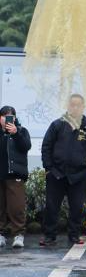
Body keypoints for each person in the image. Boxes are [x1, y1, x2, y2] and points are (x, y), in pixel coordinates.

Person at [40, 95, 86, 247]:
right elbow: (46, 147)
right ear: (68, 106)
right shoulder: (57, 125)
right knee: (52, 207)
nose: (75, 108)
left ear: (83, 106)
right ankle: (49, 236)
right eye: (72, 105)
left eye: (78, 105)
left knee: (77, 207)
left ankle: (74, 235)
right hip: (57, 174)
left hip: (79, 176)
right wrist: (48, 168)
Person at [0, 106, 31, 250]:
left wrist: (16, 133)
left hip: (15, 175)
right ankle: (1, 235)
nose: (7, 119)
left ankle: (18, 235)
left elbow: (26, 146)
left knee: (16, 207)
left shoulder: (22, 131)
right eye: (4, 116)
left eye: (10, 116)